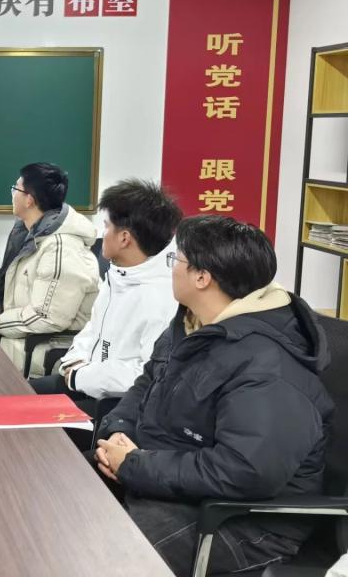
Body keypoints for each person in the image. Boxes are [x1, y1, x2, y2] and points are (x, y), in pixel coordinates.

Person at [95, 216, 333, 577]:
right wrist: (119, 430)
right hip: (170, 480)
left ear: (202, 278)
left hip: (241, 520)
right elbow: (147, 382)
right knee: (58, 489)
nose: (171, 268)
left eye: (176, 259)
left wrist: (134, 465)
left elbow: (244, 471)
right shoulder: (192, 323)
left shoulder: (269, 366)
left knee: (98, 550)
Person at [30, 179, 182, 402]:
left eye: (107, 226)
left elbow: (148, 374)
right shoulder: (118, 276)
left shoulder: (161, 297)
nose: (103, 233)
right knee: (15, 395)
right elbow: (92, 330)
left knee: (21, 409)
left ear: (124, 238)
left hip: (119, 404)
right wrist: (75, 362)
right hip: (85, 383)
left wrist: (84, 376)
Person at [0, 162, 100, 373]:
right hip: (18, 341)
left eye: (15, 189)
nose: (12, 195)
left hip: (38, 354)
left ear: (29, 199)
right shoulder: (29, 236)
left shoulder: (61, 248)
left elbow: (46, 317)